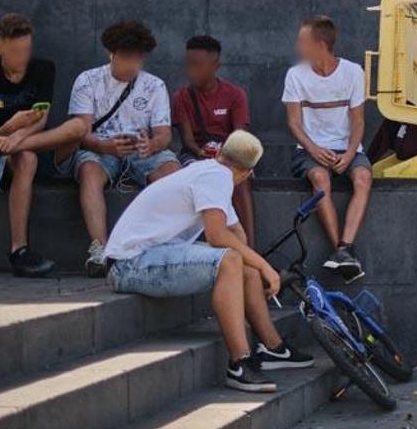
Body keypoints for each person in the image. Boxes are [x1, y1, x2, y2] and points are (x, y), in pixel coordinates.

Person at [104, 130, 313, 393]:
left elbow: (237, 234)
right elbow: (217, 236)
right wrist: (264, 266)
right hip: (129, 265)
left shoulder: (212, 172)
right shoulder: (218, 177)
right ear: (247, 173)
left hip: (150, 256)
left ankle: (274, 348)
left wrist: (253, 271)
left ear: (221, 154)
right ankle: (240, 363)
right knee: (229, 260)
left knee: (240, 263)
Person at [0, 13, 86, 277]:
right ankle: (19, 249)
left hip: (26, 142)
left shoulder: (43, 69)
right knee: (27, 158)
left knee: (77, 127)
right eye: (15, 52)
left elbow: (41, 121)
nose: (22, 58)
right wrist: (10, 126)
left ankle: (3, 151)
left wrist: (17, 137)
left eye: (26, 50)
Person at [69, 20, 181, 276]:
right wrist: (104, 146)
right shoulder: (88, 81)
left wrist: (150, 144)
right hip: (101, 147)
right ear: (112, 54)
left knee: (172, 172)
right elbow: (81, 132)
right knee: (88, 171)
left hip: (142, 151)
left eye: (138, 59)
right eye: (126, 58)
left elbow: (164, 135)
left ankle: (165, 246)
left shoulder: (155, 85)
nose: (133, 65)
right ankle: (99, 249)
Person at [283, 16, 371, 283]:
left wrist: (349, 153)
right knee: (320, 180)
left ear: (320, 45)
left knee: (363, 177)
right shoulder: (295, 75)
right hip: (309, 149)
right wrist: (315, 149)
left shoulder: (353, 72)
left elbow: (358, 121)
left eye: (303, 40)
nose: (298, 46)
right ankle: (341, 250)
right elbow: (294, 123)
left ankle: (345, 247)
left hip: (347, 147)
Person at [171, 35, 256, 247]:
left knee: (241, 179)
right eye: (189, 64)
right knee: (198, 178)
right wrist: (203, 154)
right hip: (195, 155)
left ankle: (251, 249)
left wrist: (225, 157)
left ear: (215, 65)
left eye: (197, 65)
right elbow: (188, 140)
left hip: (229, 154)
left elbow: (240, 137)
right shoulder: (181, 97)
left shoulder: (235, 95)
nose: (191, 70)